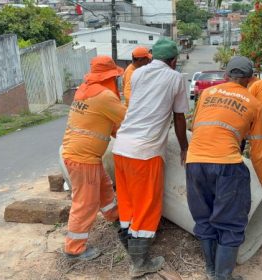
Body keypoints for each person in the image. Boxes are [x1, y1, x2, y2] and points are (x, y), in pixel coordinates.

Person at [186, 56, 262, 280]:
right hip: (226, 166)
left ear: (225, 76)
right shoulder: (254, 104)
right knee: (230, 223)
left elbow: (194, 125)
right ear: (250, 79)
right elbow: (257, 151)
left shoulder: (207, 94)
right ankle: (222, 276)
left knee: (204, 218)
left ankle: (211, 271)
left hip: (194, 162)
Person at [112, 38, 189, 278]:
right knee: (147, 205)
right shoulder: (176, 78)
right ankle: (140, 262)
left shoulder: (136, 74)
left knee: (127, 201)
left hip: (121, 147)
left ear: (153, 57)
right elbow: (179, 118)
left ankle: (129, 244)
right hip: (145, 153)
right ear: (174, 60)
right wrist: (185, 148)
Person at [61, 56, 127, 260]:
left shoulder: (84, 89)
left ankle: (113, 216)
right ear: (109, 76)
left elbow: (105, 121)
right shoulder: (105, 96)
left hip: (79, 154)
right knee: (85, 202)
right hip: (83, 158)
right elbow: (128, 119)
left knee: (104, 187)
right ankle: (74, 248)